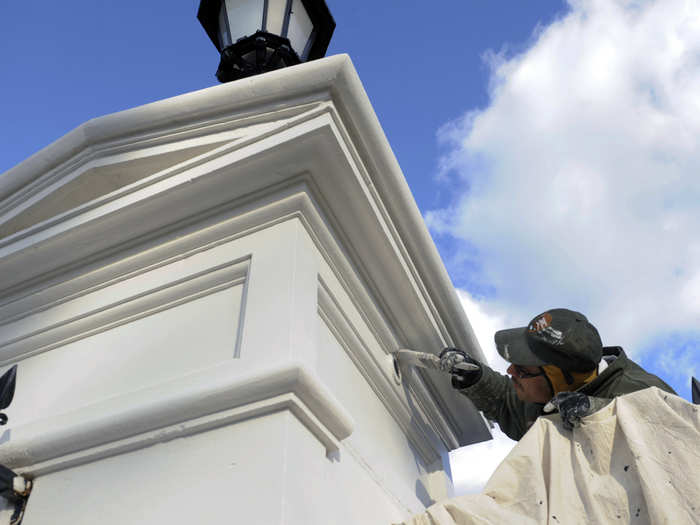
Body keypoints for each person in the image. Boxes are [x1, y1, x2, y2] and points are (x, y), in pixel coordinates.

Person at [440, 308, 676, 441]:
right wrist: (476, 379)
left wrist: (593, 413)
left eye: (522, 369)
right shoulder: (552, 395)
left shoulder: (647, 396)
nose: (511, 371)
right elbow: (506, 401)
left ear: (558, 377)